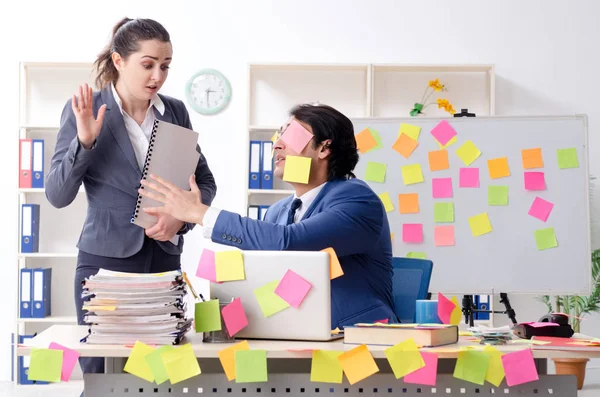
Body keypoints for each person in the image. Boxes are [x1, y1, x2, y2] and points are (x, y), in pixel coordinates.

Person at [45, 18, 217, 376]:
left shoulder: (175, 111)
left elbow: (204, 183)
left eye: (165, 66)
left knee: (159, 372)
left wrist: (180, 220)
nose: (158, 76)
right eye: (148, 64)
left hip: (163, 259)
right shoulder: (87, 107)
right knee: (101, 370)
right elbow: (57, 194)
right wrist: (85, 142)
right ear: (119, 60)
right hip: (105, 263)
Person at [138, 103, 397, 328]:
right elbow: (259, 276)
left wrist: (200, 213)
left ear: (324, 149)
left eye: (292, 135)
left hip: (360, 341)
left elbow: (290, 242)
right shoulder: (277, 212)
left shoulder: (358, 200)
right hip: (293, 337)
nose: (277, 145)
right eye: (278, 135)